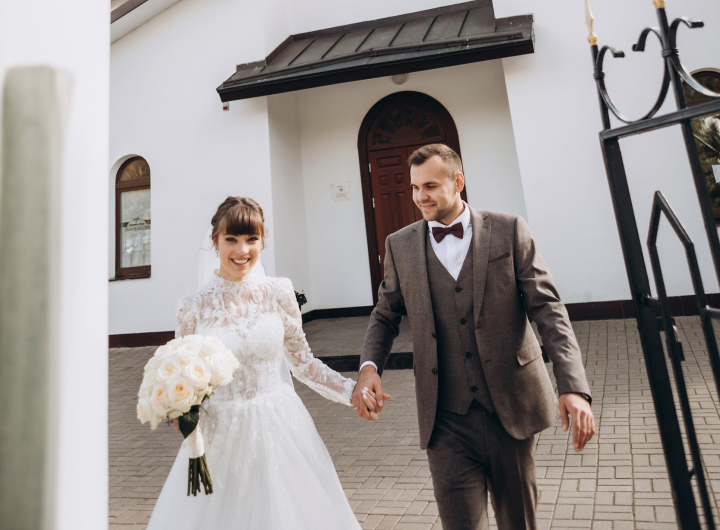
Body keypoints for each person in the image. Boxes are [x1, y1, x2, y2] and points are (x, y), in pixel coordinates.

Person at [353, 143, 595, 530]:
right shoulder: (399, 245)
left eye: (429, 186)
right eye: (415, 188)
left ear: (458, 182)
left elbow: (548, 309)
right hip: (445, 418)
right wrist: (368, 369)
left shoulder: (508, 229)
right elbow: (385, 314)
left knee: (520, 522)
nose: (420, 197)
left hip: (510, 409)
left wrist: (573, 387)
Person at [146, 196, 361, 530]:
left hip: (279, 425)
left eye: (251, 239)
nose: (242, 250)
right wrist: (179, 410)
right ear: (215, 242)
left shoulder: (279, 292)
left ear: (262, 241)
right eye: (231, 239)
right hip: (220, 433)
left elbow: (303, 363)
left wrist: (353, 391)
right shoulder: (193, 306)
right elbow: (185, 374)